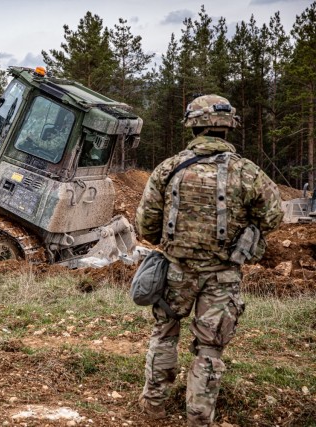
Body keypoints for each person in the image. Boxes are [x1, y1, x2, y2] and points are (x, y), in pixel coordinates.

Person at [135, 94, 283, 426]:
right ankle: (198, 418)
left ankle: (153, 407)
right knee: (209, 350)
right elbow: (273, 215)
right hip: (222, 277)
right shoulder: (247, 173)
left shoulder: (169, 168)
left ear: (192, 125)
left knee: (164, 333)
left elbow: (146, 225)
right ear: (229, 127)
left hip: (175, 273)